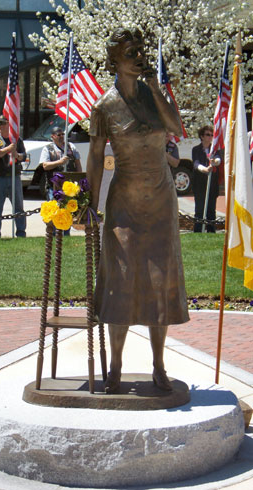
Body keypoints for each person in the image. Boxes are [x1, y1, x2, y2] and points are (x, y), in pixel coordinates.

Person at [87, 28, 189, 394]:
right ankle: (115, 366)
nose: (139, 56)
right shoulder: (104, 107)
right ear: (115, 60)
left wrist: (157, 88)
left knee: (159, 284)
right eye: (131, 52)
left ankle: (159, 366)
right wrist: (90, 205)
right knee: (122, 284)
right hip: (125, 205)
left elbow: (176, 127)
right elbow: (96, 158)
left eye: (141, 50)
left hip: (161, 200)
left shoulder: (152, 95)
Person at [0, 115, 26, 239]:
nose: (1, 125)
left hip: (14, 176)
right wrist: (8, 149)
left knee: (18, 206)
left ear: (10, 125)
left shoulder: (16, 140)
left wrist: (16, 155)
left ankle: (20, 233)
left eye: (3, 123)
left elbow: (24, 156)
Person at [39, 126, 82, 235]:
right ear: (53, 136)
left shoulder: (71, 147)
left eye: (63, 134)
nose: (61, 137)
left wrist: (80, 179)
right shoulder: (47, 149)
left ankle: (66, 233)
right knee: (54, 211)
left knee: (67, 211)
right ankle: (53, 234)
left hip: (69, 187)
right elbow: (45, 165)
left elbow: (77, 163)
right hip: (54, 186)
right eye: (58, 135)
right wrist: (59, 162)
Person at [192, 126, 221, 233]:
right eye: (208, 135)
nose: (210, 137)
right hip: (199, 184)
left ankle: (211, 231)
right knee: (199, 210)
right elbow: (196, 163)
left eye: (211, 135)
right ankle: (198, 231)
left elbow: (218, 159)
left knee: (211, 211)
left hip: (212, 184)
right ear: (202, 136)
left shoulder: (214, 149)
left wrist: (215, 162)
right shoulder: (196, 149)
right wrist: (205, 169)